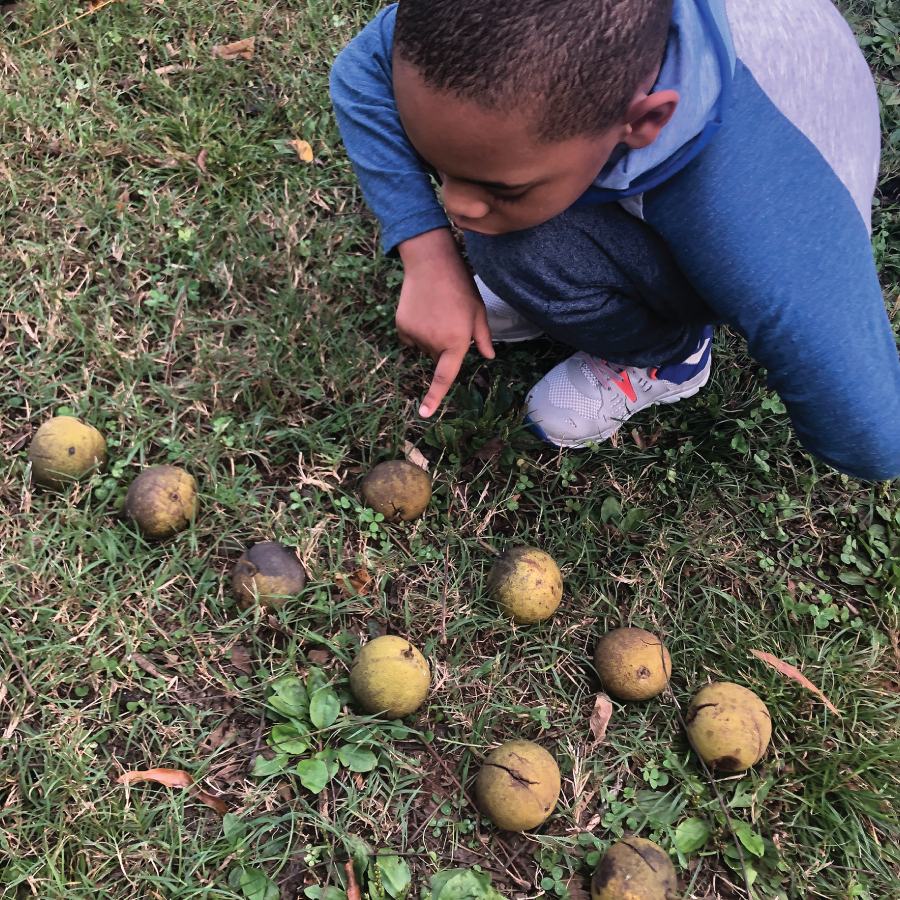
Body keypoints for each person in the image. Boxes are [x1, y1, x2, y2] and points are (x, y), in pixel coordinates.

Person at [330, 0, 900, 481]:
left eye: (499, 185)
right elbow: (361, 71)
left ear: (642, 123)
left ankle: (671, 357)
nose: (455, 206)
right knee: (503, 227)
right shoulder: (507, 37)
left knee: (516, 248)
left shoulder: (747, 217)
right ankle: (555, 260)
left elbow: (874, 439)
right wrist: (429, 255)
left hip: (766, 182)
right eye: (444, 174)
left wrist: (769, 303)